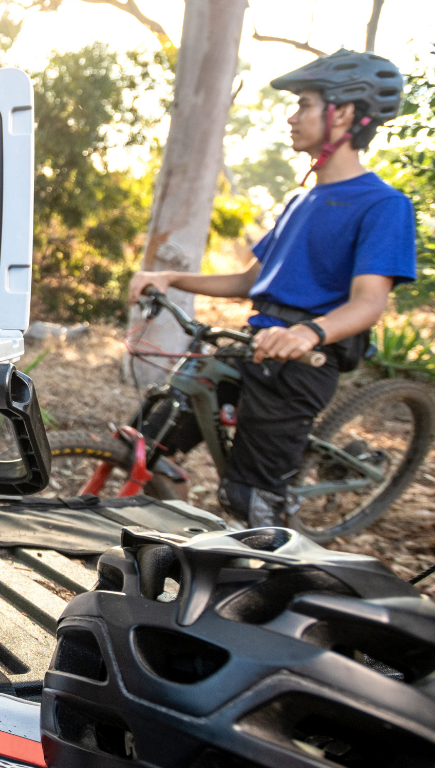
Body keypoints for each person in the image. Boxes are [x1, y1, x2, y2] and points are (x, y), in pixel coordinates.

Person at [128, 49, 417, 526]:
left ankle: (275, 573)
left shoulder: (384, 204)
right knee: (145, 438)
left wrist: (309, 333)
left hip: (302, 360)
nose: (292, 115)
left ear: (343, 112)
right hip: (253, 345)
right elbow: (248, 280)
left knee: (253, 502)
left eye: (304, 104)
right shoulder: (300, 201)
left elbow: (369, 303)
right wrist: (170, 277)